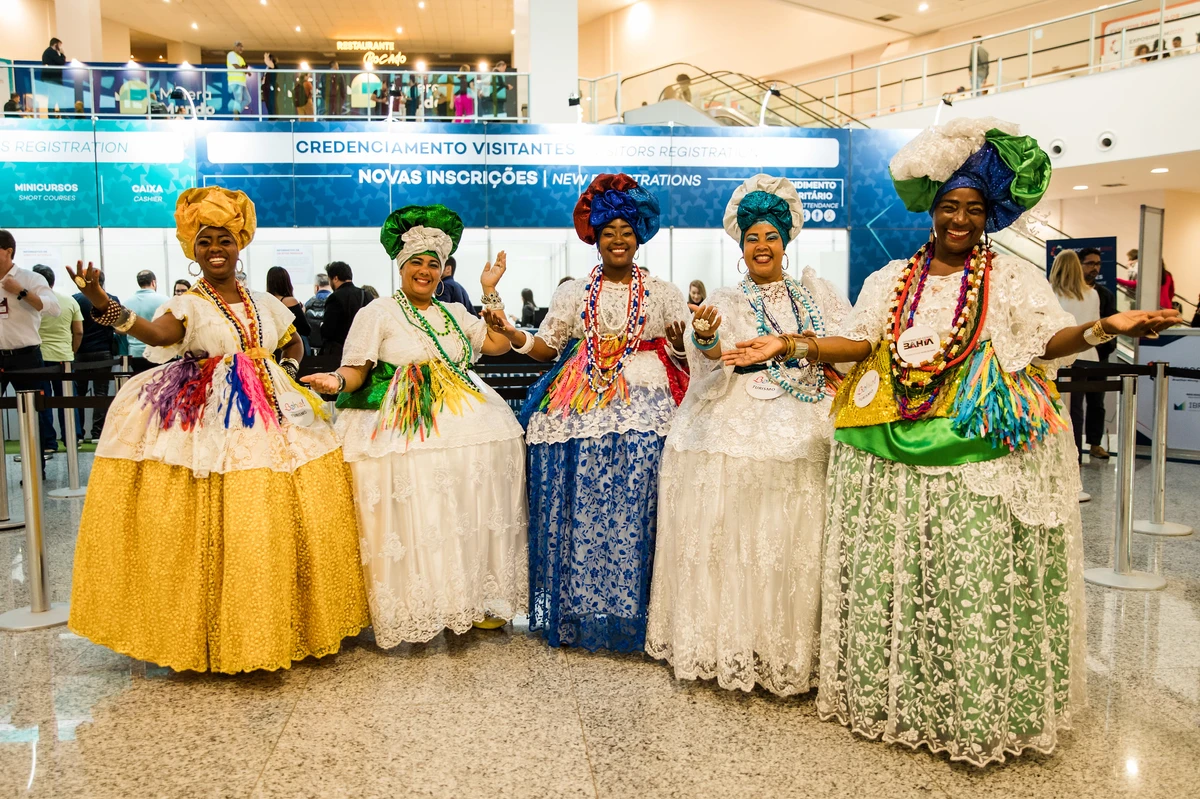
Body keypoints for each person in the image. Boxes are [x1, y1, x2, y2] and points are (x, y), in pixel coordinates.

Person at [724, 118, 1182, 765]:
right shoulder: (890, 279)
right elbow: (860, 342)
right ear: (932, 209)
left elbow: (1044, 342)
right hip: (893, 443)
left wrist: (1104, 326)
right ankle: (904, 696)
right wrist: (792, 344)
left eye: (973, 208)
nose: (960, 219)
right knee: (903, 575)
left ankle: (974, 703)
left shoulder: (1011, 279)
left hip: (978, 442)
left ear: (989, 214)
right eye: (949, 206)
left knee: (970, 576)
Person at [67, 186, 369, 673]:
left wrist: (287, 371)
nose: (215, 249)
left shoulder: (263, 301)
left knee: (282, 503)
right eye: (205, 241)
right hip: (211, 412)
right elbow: (156, 334)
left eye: (224, 240)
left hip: (275, 404)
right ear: (193, 250)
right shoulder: (187, 304)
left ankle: (289, 619)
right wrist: (104, 302)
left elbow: (292, 342)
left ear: (239, 244)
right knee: (228, 503)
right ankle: (215, 630)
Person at [646, 175, 850, 696]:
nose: (762, 245)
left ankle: (790, 647)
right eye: (752, 238)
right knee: (735, 523)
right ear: (741, 248)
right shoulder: (727, 298)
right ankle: (736, 642)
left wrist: (807, 350)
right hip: (740, 405)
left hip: (810, 402)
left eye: (771, 237)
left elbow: (848, 343)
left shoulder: (818, 293)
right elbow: (713, 353)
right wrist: (707, 337)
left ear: (786, 241)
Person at [303, 205, 528, 644]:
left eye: (433, 264)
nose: (425, 271)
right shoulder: (378, 312)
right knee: (420, 500)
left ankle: (471, 595)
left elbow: (497, 344)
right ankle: (417, 602)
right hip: (404, 420)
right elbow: (357, 369)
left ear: (443, 270)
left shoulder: (455, 311)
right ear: (401, 266)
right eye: (416, 262)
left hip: (466, 414)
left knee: (467, 499)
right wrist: (336, 380)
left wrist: (489, 291)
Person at [492, 173, 690, 653]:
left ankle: (635, 611)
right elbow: (547, 347)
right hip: (578, 405)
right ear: (595, 239)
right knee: (580, 505)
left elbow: (685, 352)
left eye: (626, 230)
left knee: (636, 506)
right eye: (608, 232)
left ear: (638, 236)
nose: (618, 239)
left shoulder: (663, 292)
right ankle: (577, 607)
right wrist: (515, 334)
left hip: (644, 408)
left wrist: (686, 344)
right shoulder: (573, 293)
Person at [1050, 250, 1102, 462]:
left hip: (1058, 356)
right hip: (1088, 356)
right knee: (1077, 409)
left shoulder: (1050, 293)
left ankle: (1058, 456)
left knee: (1056, 407)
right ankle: (1076, 456)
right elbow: (1097, 327)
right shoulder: (1092, 294)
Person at [30, 264, 77, 454]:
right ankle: (72, 438)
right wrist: (71, 351)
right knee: (67, 401)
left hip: (39, 357)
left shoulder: (29, 302)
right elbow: (78, 331)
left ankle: (49, 442)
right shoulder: (69, 300)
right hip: (64, 357)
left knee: (43, 401)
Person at [73, 270, 118, 442]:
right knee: (101, 393)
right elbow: (117, 325)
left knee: (78, 394)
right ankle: (97, 433)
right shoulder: (111, 299)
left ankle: (78, 433)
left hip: (80, 352)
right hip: (103, 352)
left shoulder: (75, 299)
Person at [1080, 247, 1115, 459]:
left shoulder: (1105, 295)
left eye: (1098, 264)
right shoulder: (1069, 292)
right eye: (1090, 263)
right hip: (1074, 357)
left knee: (1096, 403)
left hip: (1098, 358)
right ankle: (1073, 447)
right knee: (1072, 405)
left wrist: (1100, 349)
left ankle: (1095, 444)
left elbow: (1112, 327)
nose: (1095, 268)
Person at [319, 261, 366, 361]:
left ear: (335, 278)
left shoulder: (335, 297)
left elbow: (328, 330)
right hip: (363, 351)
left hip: (340, 353)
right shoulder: (366, 295)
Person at [124, 270, 166, 374]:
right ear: (153, 282)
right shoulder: (164, 300)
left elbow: (121, 329)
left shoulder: (127, 303)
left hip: (135, 353)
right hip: (158, 352)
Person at [265, 266, 311, 353]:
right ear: (286, 282)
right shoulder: (290, 301)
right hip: (291, 348)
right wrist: (302, 312)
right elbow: (305, 329)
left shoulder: (265, 301)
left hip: (273, 349)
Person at [305, 272, 331, 350]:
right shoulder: (335, 302)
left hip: (311, 347)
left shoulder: (308, 304)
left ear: (316, 287)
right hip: (329, 347)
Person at [226, 41, 248, 117]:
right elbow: (236, 66)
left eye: (242, 47)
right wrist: (244, 69)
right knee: (238, 99)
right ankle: (236, 116)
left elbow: (243, 67)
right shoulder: (231, 54)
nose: (241, 48)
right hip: (235, 80)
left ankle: (236, 111)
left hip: (242, 82)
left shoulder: (240, 58)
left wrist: (246, 71)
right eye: (240, 46)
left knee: (248, 99)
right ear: (235, 47)